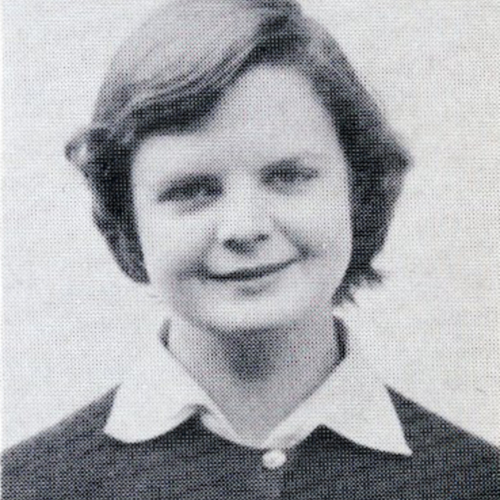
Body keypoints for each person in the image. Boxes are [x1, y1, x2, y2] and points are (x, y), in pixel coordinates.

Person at [3, 0, 498, 498]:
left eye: (289, 176)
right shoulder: (28, 486)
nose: (244, 228)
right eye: (192, 190)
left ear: (358, 190)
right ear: (128, 223)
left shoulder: (474, 481)